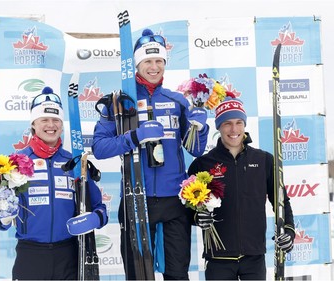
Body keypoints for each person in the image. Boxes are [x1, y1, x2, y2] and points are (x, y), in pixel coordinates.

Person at [92, 28, 209, 280]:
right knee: (138, 275)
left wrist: (200, 127)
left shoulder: (178, 100)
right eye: (147, 61)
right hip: (136, 198)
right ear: (137, 64)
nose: (154, 67)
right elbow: (99, 148)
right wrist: (135, 137)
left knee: (177, 274)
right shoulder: (120, 102)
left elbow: (196, 149)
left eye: (159, 61)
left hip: (174, 201)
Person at [0, 86, 108, 280]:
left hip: (68, 255)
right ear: (33, 125)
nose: (50, 125)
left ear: (62, 125)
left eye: (56, 120)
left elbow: (99, 207)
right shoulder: (15, 163)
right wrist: (3, 217)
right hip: (30, 255)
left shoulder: (76, 162)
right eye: (44, 119)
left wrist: (96, 218)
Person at [187, 95, 295, 280]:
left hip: (254, 257)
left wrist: (289, 230)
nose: (234, 129)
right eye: (227, 123)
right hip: (218, 258)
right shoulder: (202, 164)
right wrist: (197, 217)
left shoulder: (264, 160)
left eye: (239, 122)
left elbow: (281, 201)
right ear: (219, 126)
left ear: (245, 125)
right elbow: (187, 207)